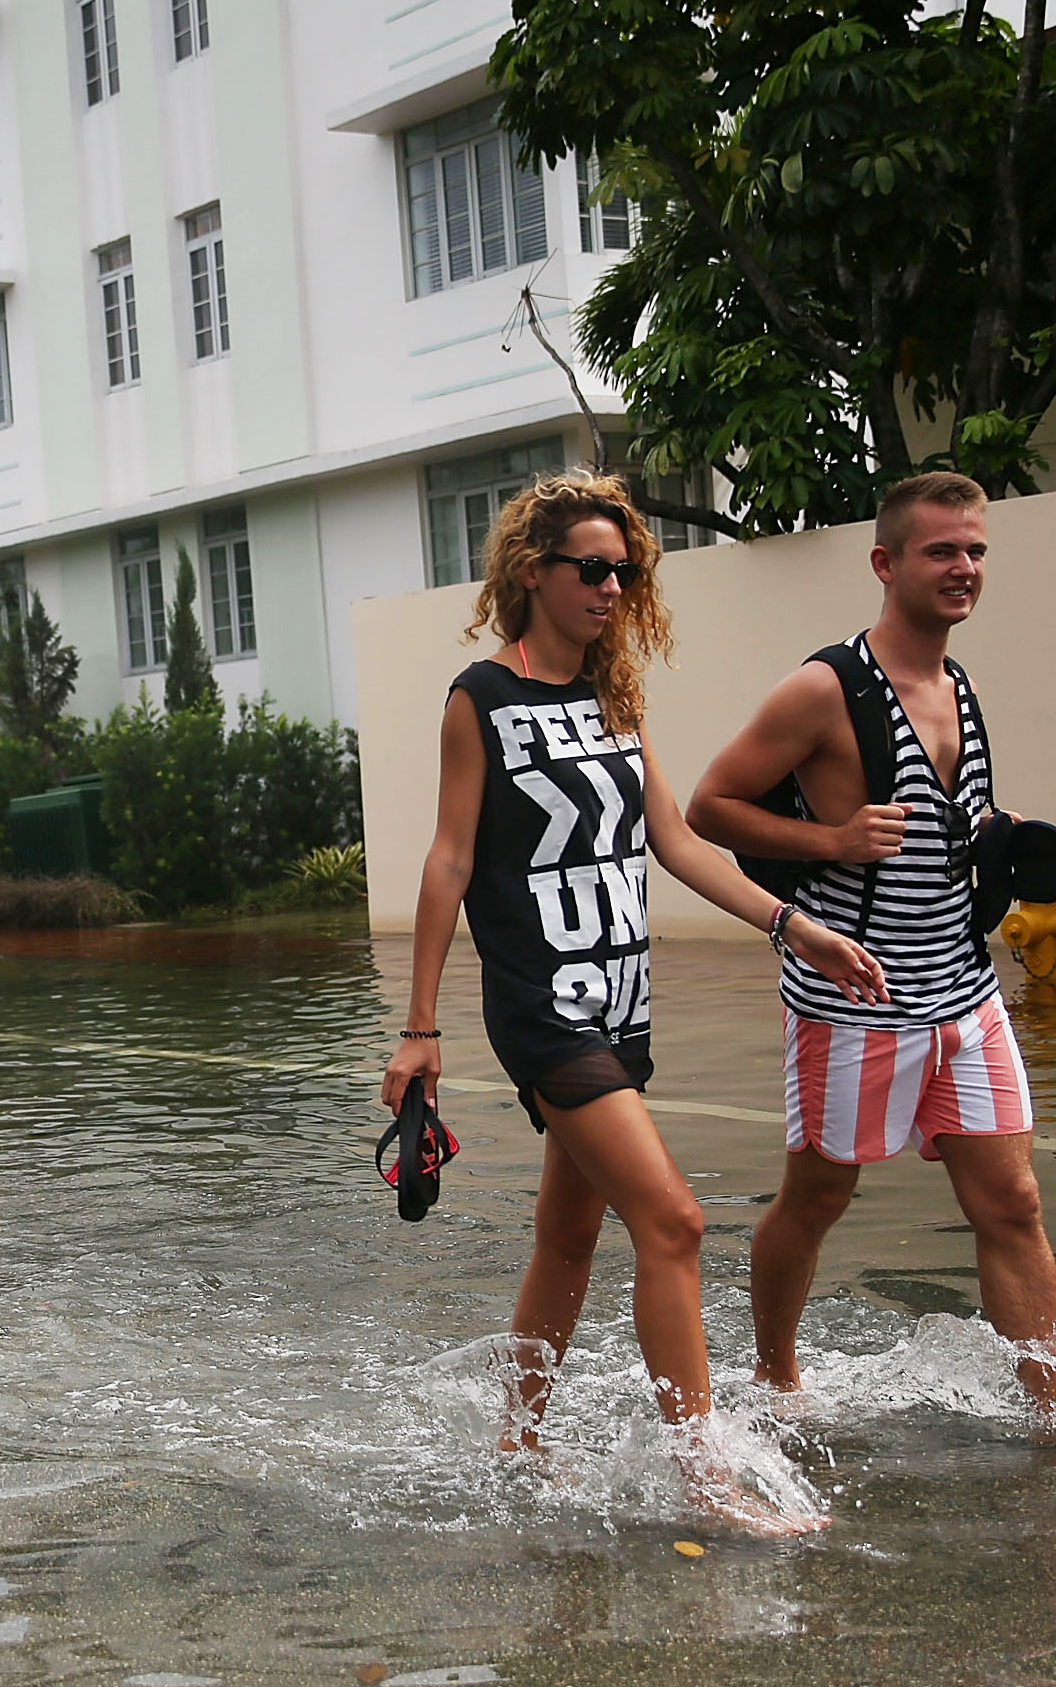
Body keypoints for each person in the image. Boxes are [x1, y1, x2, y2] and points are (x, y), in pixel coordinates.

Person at [382, 471, 886, 1534]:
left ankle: (517, 1439)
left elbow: (678, 839)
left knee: (568, 1239)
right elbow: (449, 859)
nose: (614, 587)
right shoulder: (482, 697)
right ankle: (704, 1477)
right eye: (594, 569)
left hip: (620, 1002)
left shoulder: (615, 697)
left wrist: (793, 924)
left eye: (627, 570)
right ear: (536, 574)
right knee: (675, 1220)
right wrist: (421, 1030)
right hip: (543, 1006)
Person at [685, 471, 1056, 1446]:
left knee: (1014, 1198)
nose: (964, 568)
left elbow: (943, 820)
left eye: (976, 550)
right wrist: (831, 842)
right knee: (819, 1194)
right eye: (941, 550)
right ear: (886, 562)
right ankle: (776, 1377)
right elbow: (707, 807)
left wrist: (993, 829)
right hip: (852, 995)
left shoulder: (963, 686)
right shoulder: (825, 688)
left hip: (963, 986)